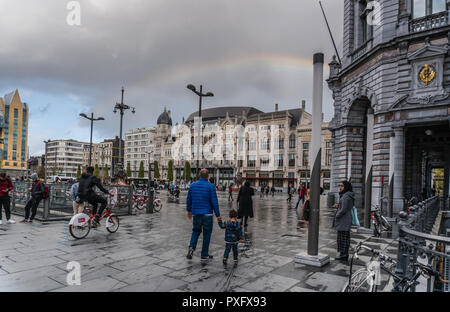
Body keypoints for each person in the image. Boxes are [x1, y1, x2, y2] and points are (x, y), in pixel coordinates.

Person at [186, 169, 221, 262]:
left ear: (199, 175)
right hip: (207, 214)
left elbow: (188, 199)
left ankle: (191, 248)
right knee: (207, 234)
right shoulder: (211, 186)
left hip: (196, 214)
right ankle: (204, 254)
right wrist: (218, 215)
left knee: (195, 231)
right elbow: (214, 202)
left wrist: (189, 210)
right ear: (208, 176)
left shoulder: (192, 185)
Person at [332, 180, 355, 261]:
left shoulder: (345, 196)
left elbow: (344, 209)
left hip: (343, 219)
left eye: (342, 186)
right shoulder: (348, 195)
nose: (340, 188)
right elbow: (345, 206)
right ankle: (343, 254)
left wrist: (337, 216)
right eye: (339, 186)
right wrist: (338, 205)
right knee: (344, 237)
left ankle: (343, 254)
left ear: (346, 187)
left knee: (343, 238)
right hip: (346, 219)